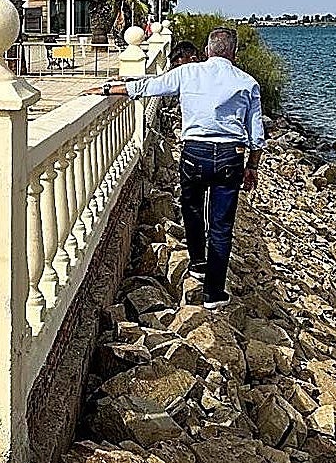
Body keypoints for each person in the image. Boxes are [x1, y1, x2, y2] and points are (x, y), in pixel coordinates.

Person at [86, 28, 265, 309]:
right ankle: (214, 293)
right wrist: (252, 168)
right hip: (232, 156)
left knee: (192, 208)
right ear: (234, 54)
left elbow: (148, 87)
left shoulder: (188, 73)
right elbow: (256, 136)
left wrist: (109, 88)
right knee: (221, 226)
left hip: (195, 153)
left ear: (207, 51)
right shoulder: (248, 82)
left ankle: (197, 263)